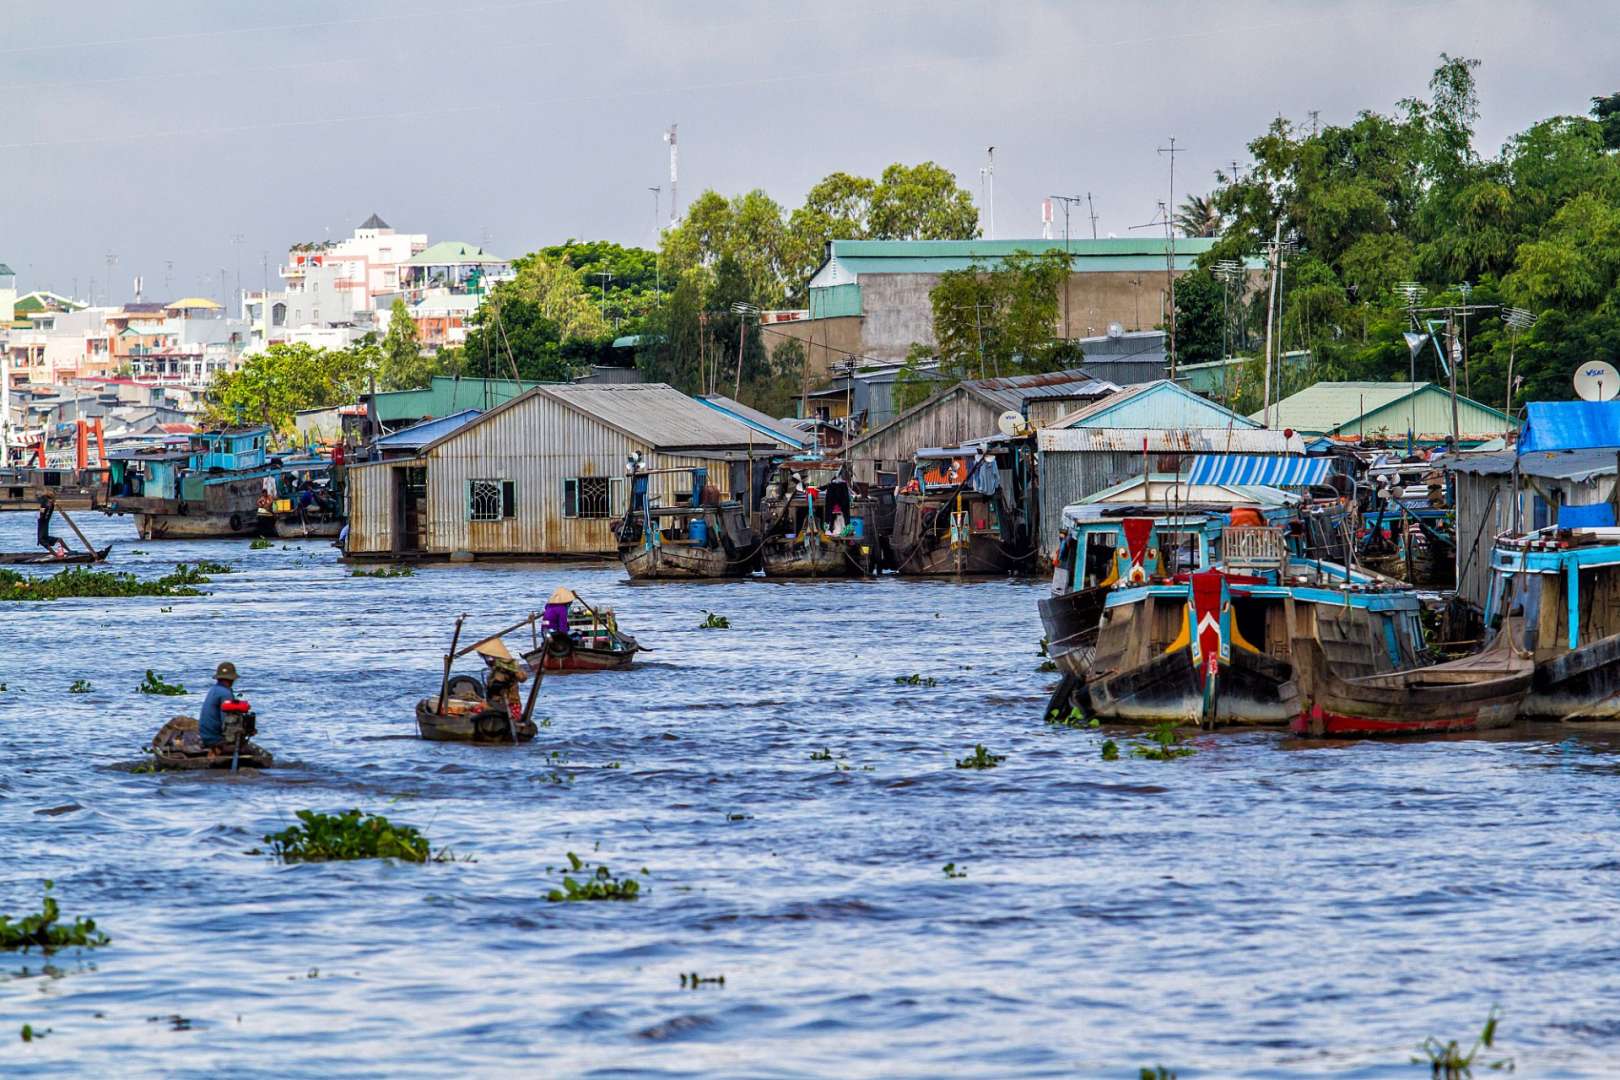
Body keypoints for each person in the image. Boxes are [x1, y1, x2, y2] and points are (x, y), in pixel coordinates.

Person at [198, 662, 239, 750]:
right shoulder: (226, 694)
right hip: (214, 739)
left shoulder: (214, 689)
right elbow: (226, 722)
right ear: (231, 679)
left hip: (205, 736)